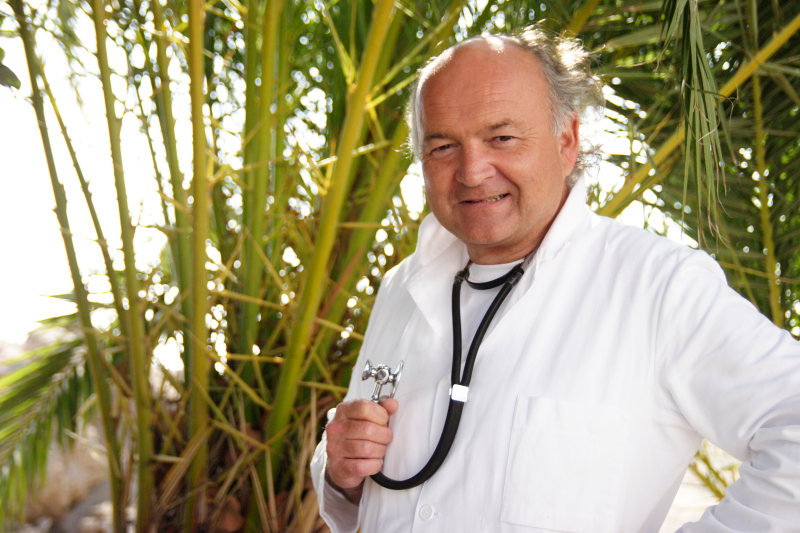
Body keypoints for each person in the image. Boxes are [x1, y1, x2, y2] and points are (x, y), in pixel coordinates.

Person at [310, 25, 800, 533]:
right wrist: (342, 471)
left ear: (567, 142)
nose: (473, 171)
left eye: (501, 137)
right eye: (443, 148)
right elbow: (367, 481)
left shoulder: (658, 286)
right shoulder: (401, 290)